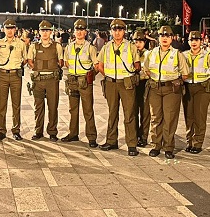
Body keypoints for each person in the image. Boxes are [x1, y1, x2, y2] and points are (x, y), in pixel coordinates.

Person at [143, 25, 189, 159]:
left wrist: (175, 81)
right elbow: (146, 69)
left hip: (171, 90)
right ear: (158, 37)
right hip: (155, 88)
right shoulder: (151, 53)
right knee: (155, 118)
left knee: (169, 118)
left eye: (167, 36)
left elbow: (185, 74)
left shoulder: (177, 54)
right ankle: (156, 145)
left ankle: (168, 147)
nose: (164, 38)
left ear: (171, 38)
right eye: (162, 35)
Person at [97, 19, 140, 155]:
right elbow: (100, 65)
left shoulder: (131, 47)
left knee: (129, 114)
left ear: (124, 31)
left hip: (126, 83)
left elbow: (137, 65)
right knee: (112, 113)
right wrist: (109, 75)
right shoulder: (106, 47)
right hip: (111, 83)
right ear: (111, 31)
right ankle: (111, 141)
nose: (117, 32)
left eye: (120, 30)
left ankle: (132, 144)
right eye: (114, 30)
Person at [61, 19, 98, 147]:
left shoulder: (90, 48)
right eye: (77, 30)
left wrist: (90, 76)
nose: (79, 32)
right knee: (73, 110)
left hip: (85, 82)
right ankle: (73, 133)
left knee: (88, 110)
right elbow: (66, 63)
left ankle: (91, 137)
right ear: (74, 31)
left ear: (86, 32)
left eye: (82, 30)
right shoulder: (69, 47)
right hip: (72, 81)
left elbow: (96, 65)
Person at [182, 31, 210, 154]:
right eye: (191, 40)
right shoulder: (183, 55)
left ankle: (197, 143)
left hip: (202, 88)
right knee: (188, 116)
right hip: (187, 87)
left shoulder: (208, 56)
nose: (194, 42)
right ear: (188, 42)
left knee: (200, 116)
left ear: (201, 42)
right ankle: (189, 142)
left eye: (196, 40)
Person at [28, 20, 63, 141]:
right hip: (38, 81)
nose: (45, 33)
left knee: (53, 107)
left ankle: (52, 132)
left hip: (52, 81)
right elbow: (30, 61)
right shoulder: (34, 46)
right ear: (39, 32)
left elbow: (60, 62)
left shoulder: (57, 46)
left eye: (47, 30)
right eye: (43, 30)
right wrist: (37, 69)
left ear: (51, 32)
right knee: (38, 107)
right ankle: (38, 131)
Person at [0, 19, 27, 141]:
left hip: (15, 75)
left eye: (12, 28)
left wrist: (16, 66)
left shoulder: (21, 43)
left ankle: (16, 130)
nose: (10, 31)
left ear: (15, 29)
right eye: (7, 28)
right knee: (2, 104)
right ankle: (2, 130)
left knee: (16, 104)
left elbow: (25, 59)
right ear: (4, 29)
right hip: (2, 75)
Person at [132, 29, 150, 147]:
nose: (138, 44)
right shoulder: (130, 53)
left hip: (145, 83)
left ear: (144, 42)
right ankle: (134, 135)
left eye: (140, 42)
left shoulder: (149, 54)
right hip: (133, 84)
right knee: (133, 111)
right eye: (136, 42)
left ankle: (143, 137)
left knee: (145, 112)